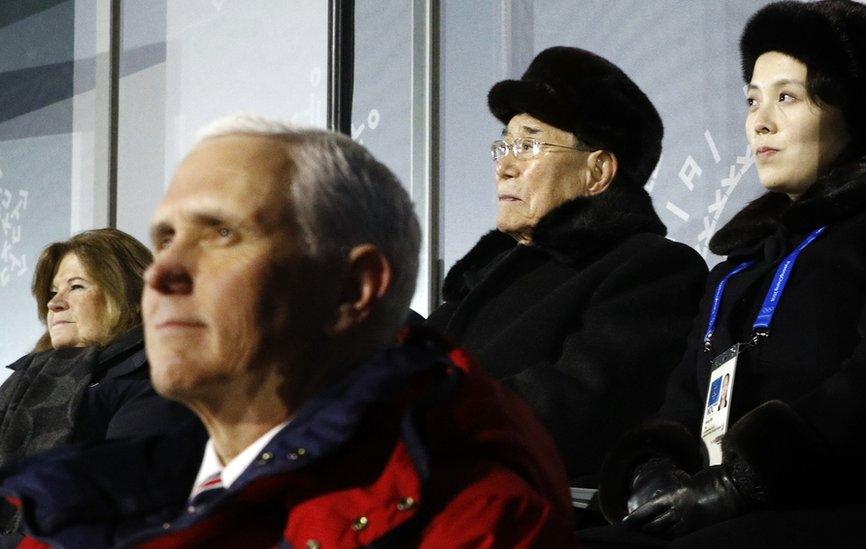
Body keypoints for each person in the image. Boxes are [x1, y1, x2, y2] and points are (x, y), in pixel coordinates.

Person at [0, 116, 576, 547]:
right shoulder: (82, 506)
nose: (166, 273)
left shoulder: (479, 521)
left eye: (222, 235)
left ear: (352, 289)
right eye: (166, 239)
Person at [596, 0, 866, 544]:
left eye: (787, 97)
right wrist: (652, 469)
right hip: (731, 511)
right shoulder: (742, 261)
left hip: (848, 502)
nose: (760, 121)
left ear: (856, 109)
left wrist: (743, 482)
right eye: (753, 99)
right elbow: (684, 397)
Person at [425, 46, 707, 483]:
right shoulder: (481, 283)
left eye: (530, 144)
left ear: (597, 172)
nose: (506, 166)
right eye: (505, 144)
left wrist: (427, 405)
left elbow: (583, 407)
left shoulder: (653, 268)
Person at [0, 228, 200, 539]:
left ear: (132, 298)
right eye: (53, 292)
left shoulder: (157, 383)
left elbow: (118, 509)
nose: (55, 304)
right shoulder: (26, 380)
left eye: (76, 287)